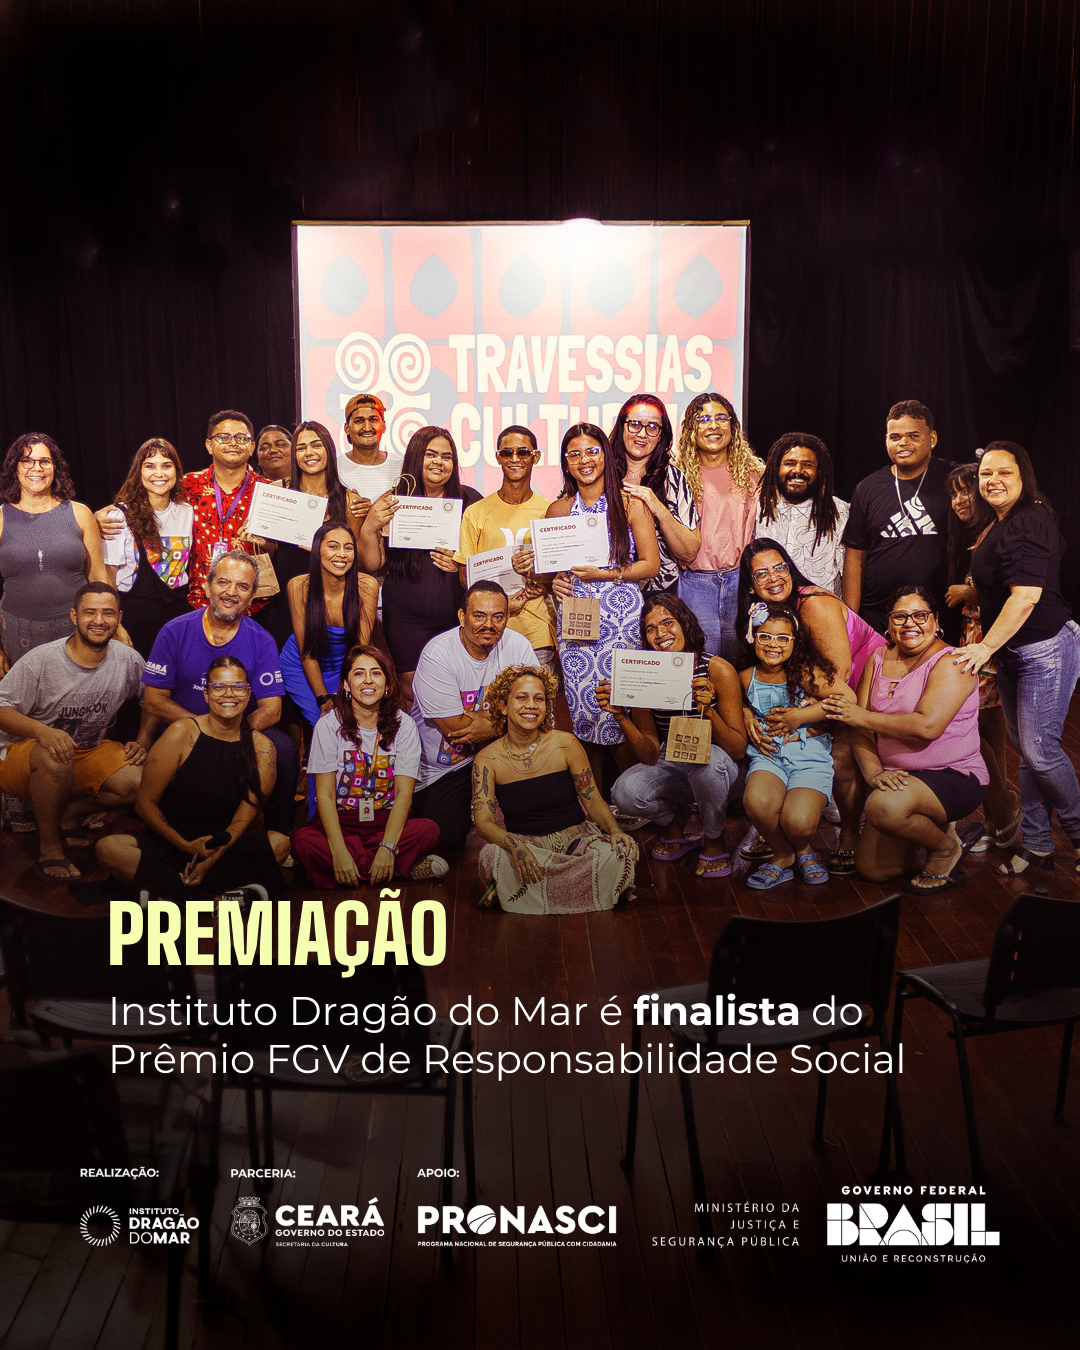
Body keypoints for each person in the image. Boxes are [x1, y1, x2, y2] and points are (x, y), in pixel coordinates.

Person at [952, 442, 1080, 877]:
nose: (993, 481)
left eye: (1004, 472)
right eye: (986, 473)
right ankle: (1039, 844)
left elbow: (1025, 598)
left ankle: (1078, 834)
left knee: (1041, 752)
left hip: (1045, 648)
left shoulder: (1028, 520)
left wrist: (984, 647)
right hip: (1015, 652)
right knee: (1028, 751)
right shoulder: (1002, 520)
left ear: (1024, 476)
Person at [736, 537, 887, 875]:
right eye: (761, 574)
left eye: (779, 568)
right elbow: (748, 678)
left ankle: (849, 833)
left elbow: (841, 673)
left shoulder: (813, 604)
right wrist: (746, 711)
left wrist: (803, 716)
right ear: (751, 585)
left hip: (860, 681)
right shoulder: (764, 617)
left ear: (791, 569)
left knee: (842, 755)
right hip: (818, 685)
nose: (773, 577)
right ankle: (775, 829)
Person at [826, 587, 987, 892]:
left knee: (882, 806)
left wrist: (860, 716)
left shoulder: (953, 662)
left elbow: (926, 727)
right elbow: (860, 729)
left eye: (920, 615)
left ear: (936, 620)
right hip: (899, 777)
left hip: (952, 775)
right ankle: (929, 826)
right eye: (899, 616)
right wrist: (873, 772)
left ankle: (945, 847)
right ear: (888, 622)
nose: (909, 623)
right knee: (873, 870)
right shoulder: (878, 656)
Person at [96, 655, 290, 902]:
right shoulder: (181, 733)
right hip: (170, 843)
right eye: (218, 687)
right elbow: (145, 804)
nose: (229, 694)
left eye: (238, 687)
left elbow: (243, 819)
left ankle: (168, 894)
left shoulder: (263, 748)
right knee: (109, 848)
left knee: (280, 844)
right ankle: (222, 896)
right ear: (206, 694)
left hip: (223, 848)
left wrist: (208, 862)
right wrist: (186, 847)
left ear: (248, 692)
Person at [0, 583, 151, 882]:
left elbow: (152, 699)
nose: (99, 620)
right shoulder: (42, 660)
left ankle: (70, 812)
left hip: (86, 752)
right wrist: (42, 732)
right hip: (23, 756)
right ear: (74, 616)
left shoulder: (128, 659)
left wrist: (143, 740)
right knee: (55, 754)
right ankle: (50, 848)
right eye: (90, 612)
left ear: (119, 618)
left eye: (108, 613)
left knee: (144, 780)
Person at [141, 551, 299, 833]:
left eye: (242, 586)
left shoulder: (262, 640)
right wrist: (204, 732)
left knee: (284, 748)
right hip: (184, 731)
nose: (231, 592)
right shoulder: (174, 631)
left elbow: (272, 709)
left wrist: (231, 736)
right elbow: (154, 700)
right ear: (207, 585)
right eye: (224, 582)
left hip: (240, 729)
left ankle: (281, 832)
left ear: (252, 596)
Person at [542, 424, 660, 782]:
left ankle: (635, 796)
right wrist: (555, 580)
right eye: (574, 454)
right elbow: (553, 568)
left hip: (622, 620)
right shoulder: (558, 510)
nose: (584, 460)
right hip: (577, 622)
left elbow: (650, 565)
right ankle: (594, 802)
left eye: (592, 451)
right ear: (566, 462)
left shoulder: (630, 504)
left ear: (606, 456)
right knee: (584, 709)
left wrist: (605, 575)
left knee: (620, 703)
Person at [599, 594, 745, 878]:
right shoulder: (646, 673)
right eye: (650, 628)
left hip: (722, 766)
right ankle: (677, 818)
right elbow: (649, 754)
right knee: (624, 792)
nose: (660, 633)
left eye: (668, 623)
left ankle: (713, 838)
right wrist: (620, 716)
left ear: (686, 623)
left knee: (707, 763)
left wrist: (708, 711)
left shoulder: (717, 669)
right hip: (675, 759)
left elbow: (738, 749)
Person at [471, 666, 639, 914]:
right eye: (522, 697)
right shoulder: (487, 760)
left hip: (576, 843)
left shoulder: (565, 744)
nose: (531, 705)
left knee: (620, 853)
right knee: (491, 855)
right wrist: (516, 848)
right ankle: (580, 890)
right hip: (527, 849)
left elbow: (592, 800)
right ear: (503, 706)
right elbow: (483, 822)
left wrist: (614, 830)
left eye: (539, 699)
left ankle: (515, 890)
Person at [291, 645, 444, 886]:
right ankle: (394, 869)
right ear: (346, 685)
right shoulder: (327, 725)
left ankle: (349, 869)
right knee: (302, 840)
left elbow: (404, 794)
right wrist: (338, 850)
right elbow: (325, 796)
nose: (368, 680)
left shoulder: (404, 725)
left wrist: (387, 846)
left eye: (376, 673)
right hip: (342, 821)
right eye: (359, 673)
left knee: (429, 830)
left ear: (388, 685)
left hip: (385, 821)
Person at [410, 581, 534, 855]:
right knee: (447, 843)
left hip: (500, 754)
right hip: (445, 767)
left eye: (498, 617)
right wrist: (511, 715)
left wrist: (490, 722)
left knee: (538, 812)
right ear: (462, 616)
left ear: (507, 617)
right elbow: (457, 729)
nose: (488, 625)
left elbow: (536, 710)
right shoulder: (438, 654)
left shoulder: (518, 646)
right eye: (479, 616)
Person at [361, 426, 481, 705]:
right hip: (406, 618)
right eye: (431, 454)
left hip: (457, 615)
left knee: (458, 688)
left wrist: (461, 564)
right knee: (412, 691)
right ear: (416, 457)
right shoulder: (393, 500)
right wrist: (369, 526)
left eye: (447, 457)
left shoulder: (470, 500)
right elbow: (373, 563)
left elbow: (485, 559)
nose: (439, 462)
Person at [739, 605, 848, 889]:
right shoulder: (746, 676)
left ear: (794, 642)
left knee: (798, 822)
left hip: (809, 755)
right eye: (765, 636)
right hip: (769, 755)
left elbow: (848, 699)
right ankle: (783, 854)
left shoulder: (807, 672)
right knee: (756, 803)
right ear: (753, 638)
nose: (773, 644)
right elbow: (732, 702)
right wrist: (744, 712)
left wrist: (800, 716)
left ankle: (802, 847)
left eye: (782, 638)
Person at [943, 462, 1020, 852]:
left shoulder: (1001, 532)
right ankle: (997, 822)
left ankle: (1004, 810)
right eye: (953, 493)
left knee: (970, 727)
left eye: (966, 490)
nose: (959, 500)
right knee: (989, 729)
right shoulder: (973, 534)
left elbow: (1018, 591)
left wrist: (967, 593)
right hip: (974, 636)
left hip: (992, 640)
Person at [842, 399, 960, 641]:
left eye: (913, 436)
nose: (903, 443)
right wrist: (852, 619)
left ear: (932, 439)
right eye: (895, 437)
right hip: (879, 615)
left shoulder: (954, 479)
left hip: (940, 613)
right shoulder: (867, 488)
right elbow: (855, 555)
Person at [0, 432, 108, 672]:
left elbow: (99, 577)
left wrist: (113, 624)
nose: (36, 468)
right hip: (17, 632)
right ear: (15, 467)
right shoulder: (1, 517)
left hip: (77, 629)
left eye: (44, 461)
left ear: (55, 467)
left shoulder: (80, 514)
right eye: (27, 461)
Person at [454, 424, 555, 666]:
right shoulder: (476, 512)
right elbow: (465, 575)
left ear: (536, 457)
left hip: (537, 630)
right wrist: (500, 605)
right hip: (487, 632)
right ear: (498, 457)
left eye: (523, 452)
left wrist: (543, 583)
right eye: (507, 453)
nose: (515, 459)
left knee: (536, 692)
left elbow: (559, 571)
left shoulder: (550, 511)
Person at [675, 391, 763, 661]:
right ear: (691, 430)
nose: (713, 425)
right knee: (703, 666)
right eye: (703, 419)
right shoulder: (677, 476)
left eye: (721, 418)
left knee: (741, 664)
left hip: (741, 581)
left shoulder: (754, 474)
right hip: (694, 585)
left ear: (733, 426)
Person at [254, 419, 353, 649]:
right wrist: (261, 541)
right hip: (284, 603)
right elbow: (274, 550)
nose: (309, 452)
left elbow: (359, 559)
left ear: (329, 449)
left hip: (332, 604)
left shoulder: (349, 500)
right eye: (301, 447)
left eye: (316, 445)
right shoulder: (277, 491)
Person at [100, 437, 194, 658]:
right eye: (150, 466)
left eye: (166, 466)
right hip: (135, 618)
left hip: (178, 616)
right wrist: (116, 625)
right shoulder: (118, 516)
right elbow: (107, 579)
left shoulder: (187, 512)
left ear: (177, 471)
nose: (159, 473)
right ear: (138, 472)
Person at [279, 521, 379, 728]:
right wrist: (324, 699)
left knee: (351, 722)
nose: (341, 554)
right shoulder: (298, 586)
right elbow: (307, 653)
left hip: (346, 664)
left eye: (348, 548)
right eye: (333, 546)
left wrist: (347, 689)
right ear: (318, 550)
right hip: (302, 664)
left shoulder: (367, 586)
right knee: (325, 724)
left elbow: (360, 650)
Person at [610, 395, 700, 594]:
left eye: (652, 427)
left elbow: (689, 552)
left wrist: (659, 509)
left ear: (661, 435)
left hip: (660, 593)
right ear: (621, 427)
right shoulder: (600, 472)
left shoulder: (673, 478)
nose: (642, 434)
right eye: (634, 424)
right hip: (605, 589)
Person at [755, 432, 849, 596]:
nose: (798, 470)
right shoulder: (759, 507)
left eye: (807, 465)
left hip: (822, 606)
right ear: (776, 467)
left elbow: (848, 572)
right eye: (790, 463)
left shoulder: (837, 511)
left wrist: (847, 611)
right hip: (771, 606)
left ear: (819, 471)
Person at [336, 394, 400, 530]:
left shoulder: (401, 467)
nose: (367, 427)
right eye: (359, 421)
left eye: (373, 420)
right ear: (347, 428)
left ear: (383, 426)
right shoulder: (335, 467)